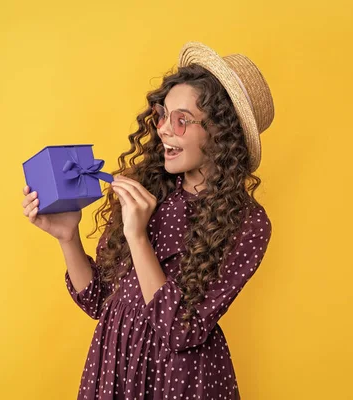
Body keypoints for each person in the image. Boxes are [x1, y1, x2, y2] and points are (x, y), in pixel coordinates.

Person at [21, 41, 275, 399]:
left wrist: (139, 237)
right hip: (115, 366)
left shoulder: (248, 222)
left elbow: (179, 332)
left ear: (221, 132)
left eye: (182, 120)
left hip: (179, 381)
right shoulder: (149, 188)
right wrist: (68, 237)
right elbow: (99, 302)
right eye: (162, 114)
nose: (163, 129)